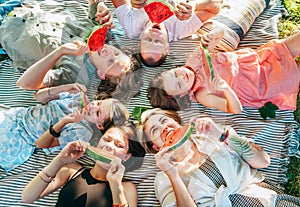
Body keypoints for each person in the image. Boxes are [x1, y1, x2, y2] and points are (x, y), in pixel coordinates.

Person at [136, 108, 300, 206]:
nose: (164, 128)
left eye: (165, 120)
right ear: (156, 147)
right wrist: (172, 174)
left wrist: (222, 135)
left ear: (178, 123)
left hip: (267, 200)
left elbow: (263, 161)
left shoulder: (210, 133)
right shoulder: (164, 177)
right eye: (155, 131)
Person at [147, 32, 300, 113]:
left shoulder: (195, 59)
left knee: (291, 44)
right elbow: (235, 109)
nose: (182, 76)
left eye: (175, 74)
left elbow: (218, 35)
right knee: (295, 70)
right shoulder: (202, 95)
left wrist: (213, 35)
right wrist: (225, 89)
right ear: (182, 95)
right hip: (262, 83)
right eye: (180, 84)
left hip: (260, 59)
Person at [0, 82, 130, 172]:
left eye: (98, 112)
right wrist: (64, 87)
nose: (93, 106)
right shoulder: (77, 98)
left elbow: (41, 144)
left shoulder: (82, 132)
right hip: (14, 116)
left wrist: (65, 121)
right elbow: (38, 96)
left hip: (19, 140)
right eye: (99, 102)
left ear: (99, 125)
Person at [22, 122, 146, 207]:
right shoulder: (71, 171)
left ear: (126, 156)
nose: (109, 146)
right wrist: (60, 159)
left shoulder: (126, 187)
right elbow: (27, 197)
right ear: (98, 143)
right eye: (106, 140)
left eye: (119, 145)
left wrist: (115, 184)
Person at [110, 0, 223, 66]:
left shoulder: (132, 27)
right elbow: (215, 5)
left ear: (139, 43)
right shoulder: (183, 28)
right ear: (167, 47)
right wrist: (195, 6)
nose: (154, 34)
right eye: (158, 41)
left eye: (148, 40)